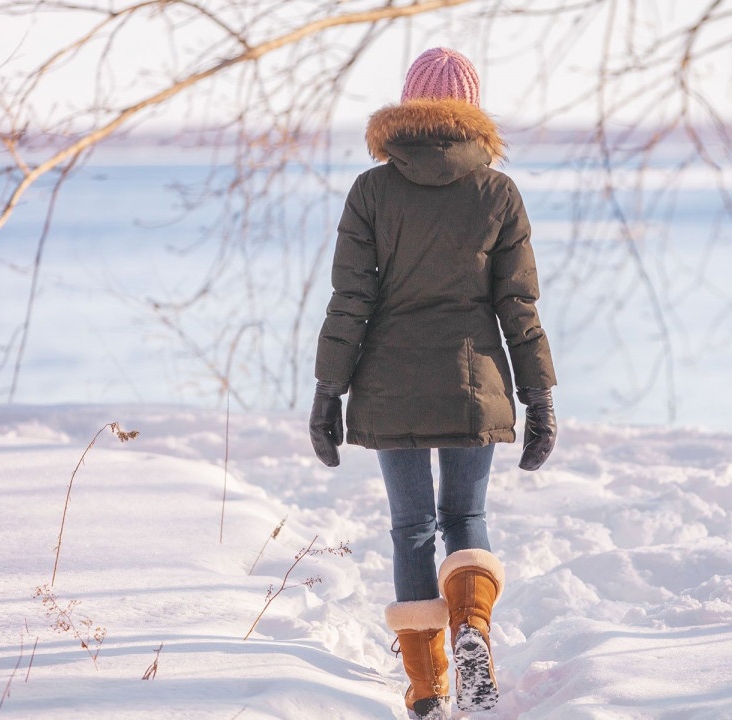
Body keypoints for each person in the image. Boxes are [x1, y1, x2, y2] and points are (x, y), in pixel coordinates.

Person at [308, 47, 557, 720]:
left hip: (387, 384)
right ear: (471, 110)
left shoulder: (371, 191)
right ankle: (472, 626)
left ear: (407, 107)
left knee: (411, 527)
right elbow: (519, 306)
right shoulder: (498, 191)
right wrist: (539, 395)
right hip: (473, 379)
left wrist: (328, 391)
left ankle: (426, 688)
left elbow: (349, 301)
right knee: (465, 518)